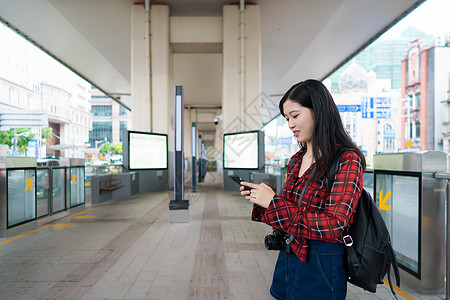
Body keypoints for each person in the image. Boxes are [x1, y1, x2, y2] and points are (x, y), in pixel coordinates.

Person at [240, 79, 366, 300]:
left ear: (319, 110)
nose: (290, 124)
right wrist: (262, 199)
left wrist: (273, 203)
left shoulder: (347, 159)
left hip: (321, 264)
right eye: (287, 118)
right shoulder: (297, 159)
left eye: (295, 116)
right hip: (288, 258)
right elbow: (289, 212)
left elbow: (335, 225)